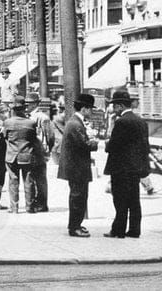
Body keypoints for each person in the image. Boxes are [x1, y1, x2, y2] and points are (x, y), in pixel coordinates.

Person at [103, 89, 151, 239]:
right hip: (136, 168)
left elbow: (114, 146)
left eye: (114, 106)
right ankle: (134, 230)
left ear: (119, 106)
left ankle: (118, 230)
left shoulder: (121, 122)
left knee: (120, 200)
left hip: (121, 169)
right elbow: (145, 146)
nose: (113, 109)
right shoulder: (141, 121)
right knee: (134, 201)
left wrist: (107, 144)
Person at [57, 92, 98, 237]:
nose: (92, 112)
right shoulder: (75, 124)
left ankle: (77, 224)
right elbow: (85, 144)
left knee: (79, 197)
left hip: (76, 167)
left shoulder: (75, 122)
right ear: (85, 108)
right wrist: (95, 141)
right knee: (78, 197)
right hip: (76, 168)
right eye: (91, 109)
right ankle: (74, 227)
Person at [2, 95, 46, 214]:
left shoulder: (7, 122)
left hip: (11, 155)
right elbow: (33, 139)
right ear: (24, 108)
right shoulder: (30, 123)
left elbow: (4, 137)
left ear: (12, 109)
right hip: (27, 155)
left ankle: (14, 208)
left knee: (13, 181)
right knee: (28, 181)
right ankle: (29, 207)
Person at [28, 93, 54, 212]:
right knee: (32, 178)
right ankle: (35, 201)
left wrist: (47, 149)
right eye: (27, 103)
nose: (28, 105)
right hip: (30, 150)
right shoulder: (28, 116)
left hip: (39, 150)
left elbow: (50, 136)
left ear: (36, 104)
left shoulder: (42, 117)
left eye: (31, 103)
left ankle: (42, 203)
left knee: (40, 178)